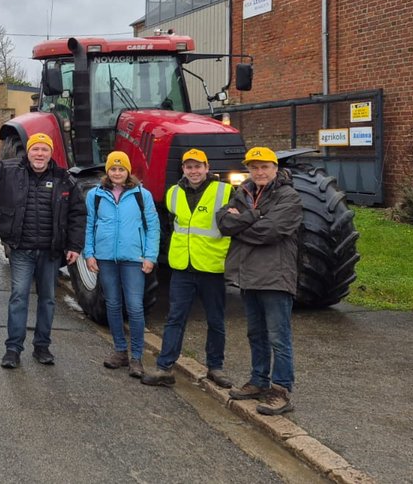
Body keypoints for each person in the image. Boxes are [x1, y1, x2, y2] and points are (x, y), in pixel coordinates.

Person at [0, 133, 85, 368]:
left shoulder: (64, 179)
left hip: (50, 252)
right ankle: (13, 349)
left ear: (51, 154)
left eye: (44, 150)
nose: (39, 154)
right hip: (22, 250)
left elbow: (77, 214)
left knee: (48, 300)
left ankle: (42, 346)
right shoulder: (9, 171)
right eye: (35, 149)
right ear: (28, 152)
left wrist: (74, 246)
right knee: (19, 297)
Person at [216, 147, 303, 416]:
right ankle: (258, 380)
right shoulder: (243, 192)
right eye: (254, 167)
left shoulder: (288, 196)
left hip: (275, 276)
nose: (259, 172)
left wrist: (241, 224)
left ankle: (281, 390)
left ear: (275, 168)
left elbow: (272, 231)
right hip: (248, 276)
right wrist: (253, 217)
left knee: (279, 337)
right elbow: (222, 222)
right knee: (256, 334)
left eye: (264, 166)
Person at [141, 149, 234, 388]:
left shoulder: (225, 191)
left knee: (215, 320)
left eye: (198, 166)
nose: (193, 171)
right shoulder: (173, 193)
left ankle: (215, 367)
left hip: (211, 267)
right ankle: (164, 368)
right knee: (175, 318)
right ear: (183, 169)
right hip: (183, 267)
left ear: (207, 167)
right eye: (189, 167)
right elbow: (173, 225)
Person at [83, 151, 160, 379]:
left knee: (135, 307)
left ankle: (136, 356)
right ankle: (119, 351)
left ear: (128, 172)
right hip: (106, 258)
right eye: (113, 169)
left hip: (133, 259)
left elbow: (153, 227)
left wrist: (150, 257)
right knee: (113, 304)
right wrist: (89, 254)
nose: (117, 173)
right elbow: (90, 225)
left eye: (121, 169)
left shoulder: (141, 195)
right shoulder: (95, 195)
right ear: (108, 171)